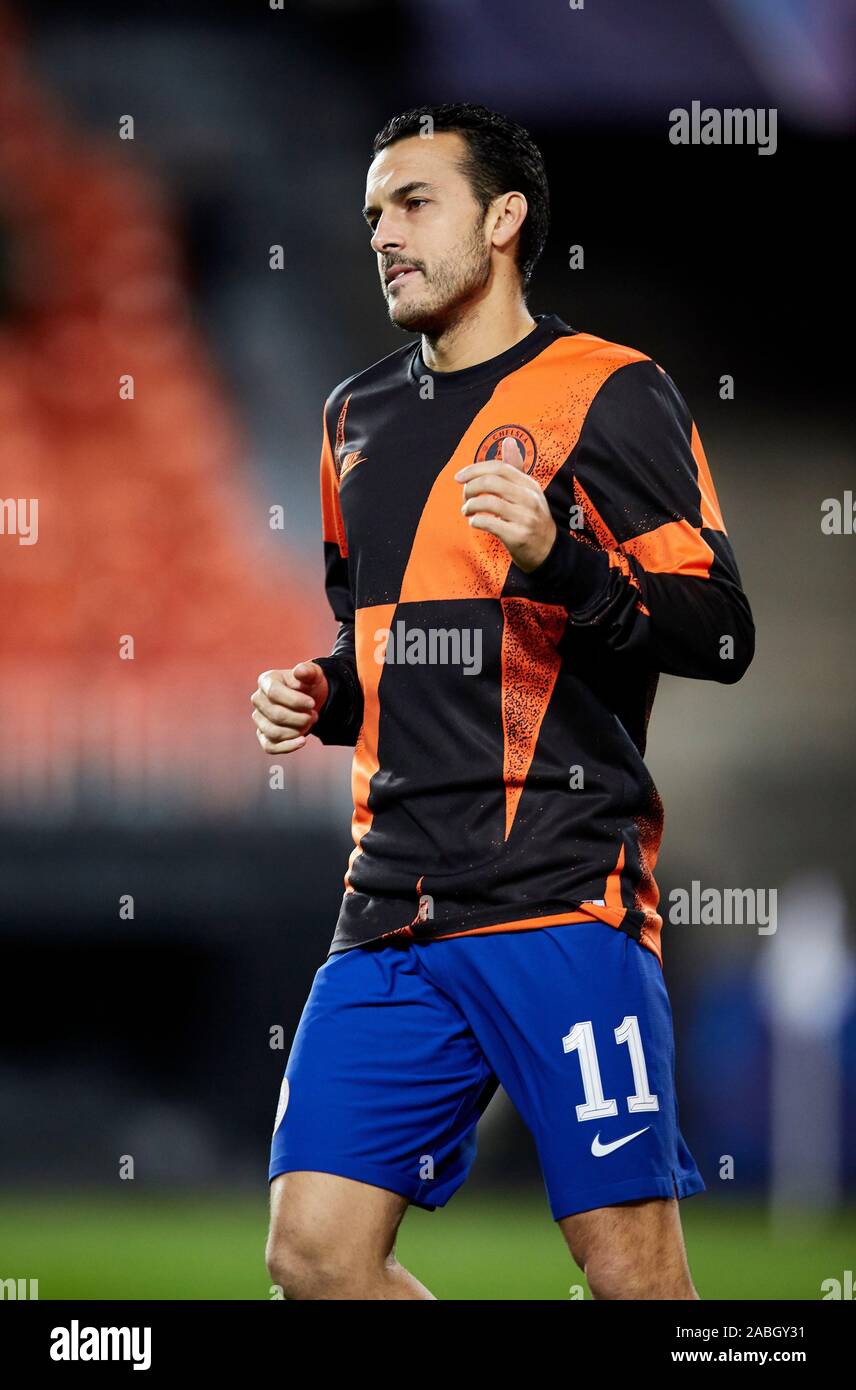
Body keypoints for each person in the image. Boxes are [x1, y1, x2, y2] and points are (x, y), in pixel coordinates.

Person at [251, 102, 754, 1300]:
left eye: (414, 202)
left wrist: (563, 559)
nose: (383, 231)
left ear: (506, 219)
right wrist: (322, 689)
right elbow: (377, 641)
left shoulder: (612, 392)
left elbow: (721, 630)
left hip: (556, 899)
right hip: (387, 907)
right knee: (313, 1258)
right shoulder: (350, 416)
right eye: (373, 210)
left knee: (634, 1277)